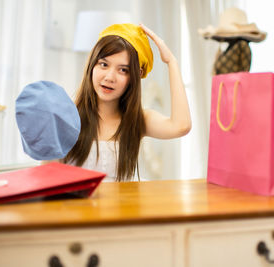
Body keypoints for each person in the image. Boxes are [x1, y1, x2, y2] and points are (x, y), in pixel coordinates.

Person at [61, 23, 191, 181]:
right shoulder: (67, 116)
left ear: (136, 76)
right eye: (104, 64)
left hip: (123, 206)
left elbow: (181, 126)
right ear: (92, 65)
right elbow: (48, 177)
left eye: (123, 70)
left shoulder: (138, 120)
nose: (109, 77)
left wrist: (171, 62)